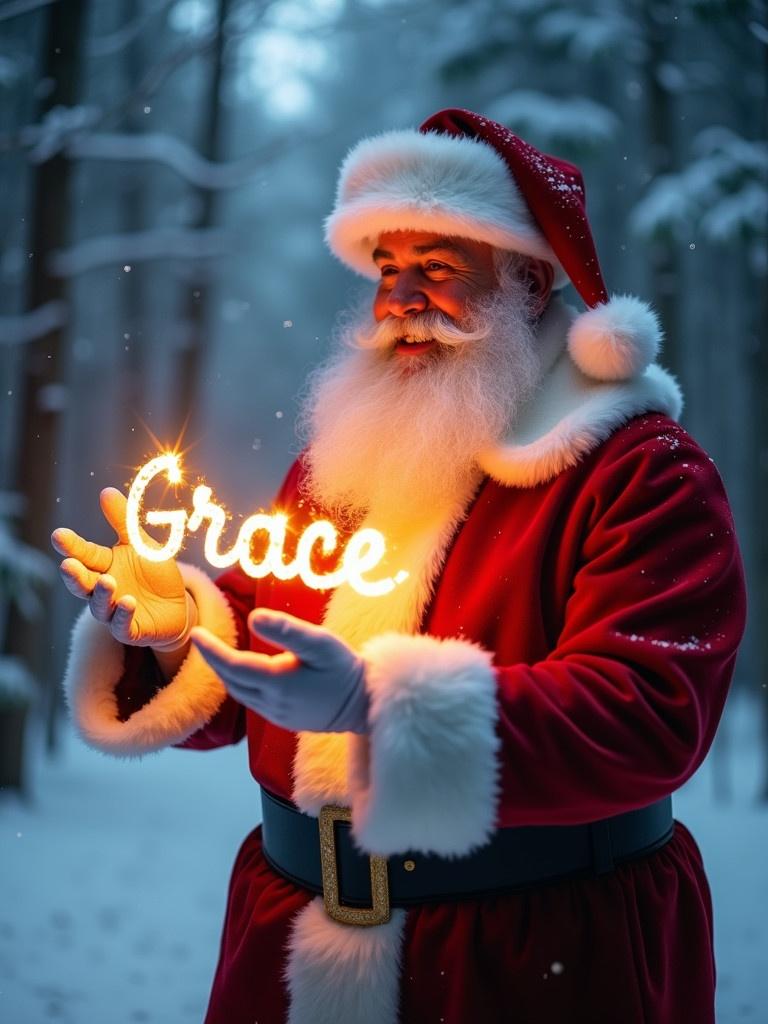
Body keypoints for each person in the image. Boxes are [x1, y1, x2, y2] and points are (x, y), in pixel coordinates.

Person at [53, 108, 746, 1024]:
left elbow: (649, 717)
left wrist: (380, 709)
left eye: (439, 270)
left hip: (533, 956)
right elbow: (264, 661)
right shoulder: (343, 459)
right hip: (291, 941)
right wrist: (181, 631)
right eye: (387, 270)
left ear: (531, 282)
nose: (400, 300)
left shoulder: (641, 473)